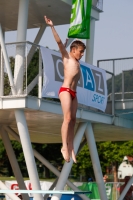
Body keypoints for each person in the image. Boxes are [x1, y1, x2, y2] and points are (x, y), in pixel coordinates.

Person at [44, 16, 86, 163]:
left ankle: (71, 147)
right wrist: (51, 26)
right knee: (67, 119)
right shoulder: (67, 58)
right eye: (80, 52)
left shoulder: (77, 62)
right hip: (66, 91)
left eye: (83, 53)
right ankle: (64, 147)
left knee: (73, 120)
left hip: (74, 93)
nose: (81, 55)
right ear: (73, 50)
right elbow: (59, 42)